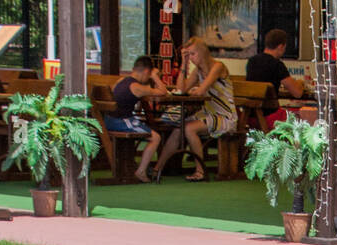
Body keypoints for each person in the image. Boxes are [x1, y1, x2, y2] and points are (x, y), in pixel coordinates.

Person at [152, 36, 237, 182]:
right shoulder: (197, 71)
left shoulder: (218, 67)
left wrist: (196, 90)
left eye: (192, 54)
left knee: (189, 129)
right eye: (188, 55)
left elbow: (203, 89)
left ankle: (200, 171)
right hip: (208, 113)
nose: (191, 58)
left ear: (202, 52)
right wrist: (183, 65)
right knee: (180, 127)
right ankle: (157, 169)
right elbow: (181, 88)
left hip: (225, 117)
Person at [108, 55, 169, 183]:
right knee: (156, 137)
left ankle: (135, 168)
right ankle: (141, 172)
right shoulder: (136, 87)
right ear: (147, 71)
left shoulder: (121, 80)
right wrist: (155, 76)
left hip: (108, 120)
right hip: (121, 121)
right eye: (148, 75)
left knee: (144, 127)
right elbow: (163, 92)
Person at [246, 28, 317, 126]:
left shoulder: (252, 62)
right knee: (301, 118)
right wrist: (300, 83)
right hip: (269, 117)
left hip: (250, 117)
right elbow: (297, 93)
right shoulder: (277, 65)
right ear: (280, 46)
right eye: (284, 47)